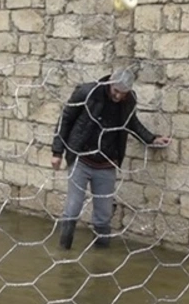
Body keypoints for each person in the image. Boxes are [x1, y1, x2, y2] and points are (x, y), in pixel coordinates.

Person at [50, 68, 171, 250]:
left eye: (123, 93)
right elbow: (65, 119)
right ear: (110, 84)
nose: (118, 96)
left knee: (104, 213)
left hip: (106, 163)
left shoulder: (128, 101)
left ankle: (101, 255)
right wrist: (57, 152)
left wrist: (151, 138)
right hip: (81, 158)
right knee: (73, 207)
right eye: (116, 91)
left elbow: (131, 123)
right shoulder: (88, 92)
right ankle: (64, 250)